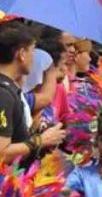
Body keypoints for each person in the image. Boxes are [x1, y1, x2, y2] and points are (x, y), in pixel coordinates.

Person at [0, 22, 64, 165]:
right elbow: (2, 153)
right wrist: (42, 140)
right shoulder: (3, 94)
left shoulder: (10, 89)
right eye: (32, 50)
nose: (34, 58)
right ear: (22, 54)